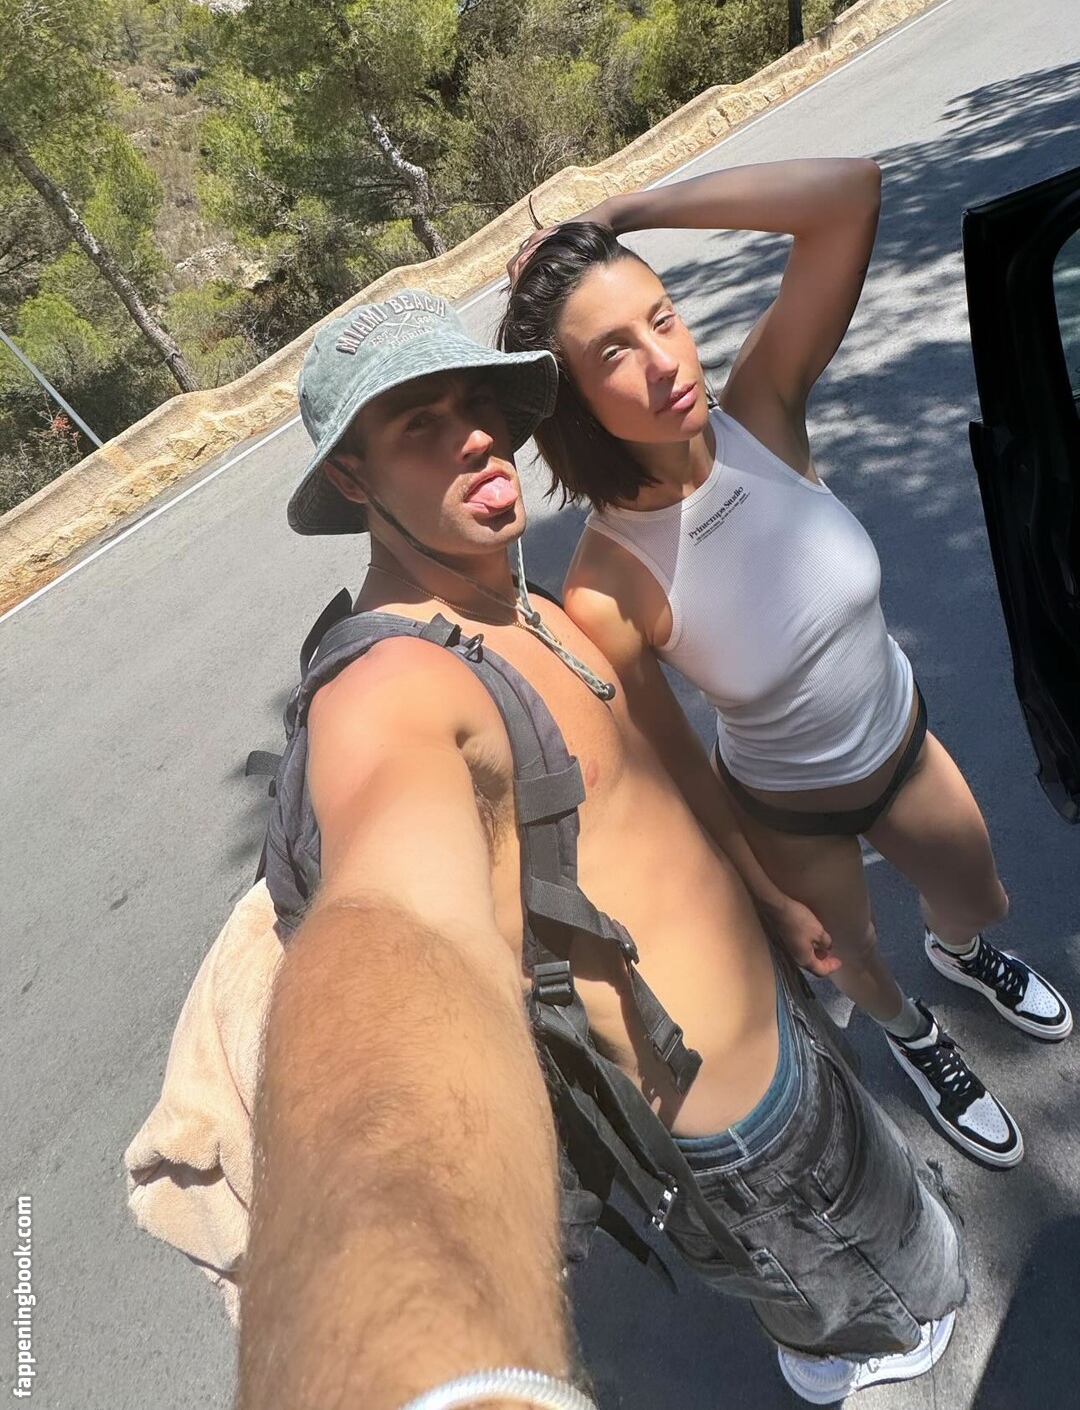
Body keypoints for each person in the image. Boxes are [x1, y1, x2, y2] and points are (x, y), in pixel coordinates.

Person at [242, 286, 965, 1410]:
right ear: (351, 477)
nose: (475, 437)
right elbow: (400, 941)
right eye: (419, 425)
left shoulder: (511, 596)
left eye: (477, 405)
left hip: (786, 1032)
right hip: (747, 1138)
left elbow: (659, 785)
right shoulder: (388, 692)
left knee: (899, 1234)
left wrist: (773, 900)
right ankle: (846, 1357)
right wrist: (423, 1367)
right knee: (908, 1308)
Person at [499, 157, 1073, 1177]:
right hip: (788, 810)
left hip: (903, 746)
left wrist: (625, 208)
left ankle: (960, 953)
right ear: (573, 401)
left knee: (979, 897)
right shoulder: (607, 583)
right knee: (853, 960)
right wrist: (767, 893)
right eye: (614, 352)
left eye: (664, 317)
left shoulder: (761, 412)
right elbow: (673, 762)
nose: (664, 360)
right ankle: (915, 1040)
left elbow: (848, 196)